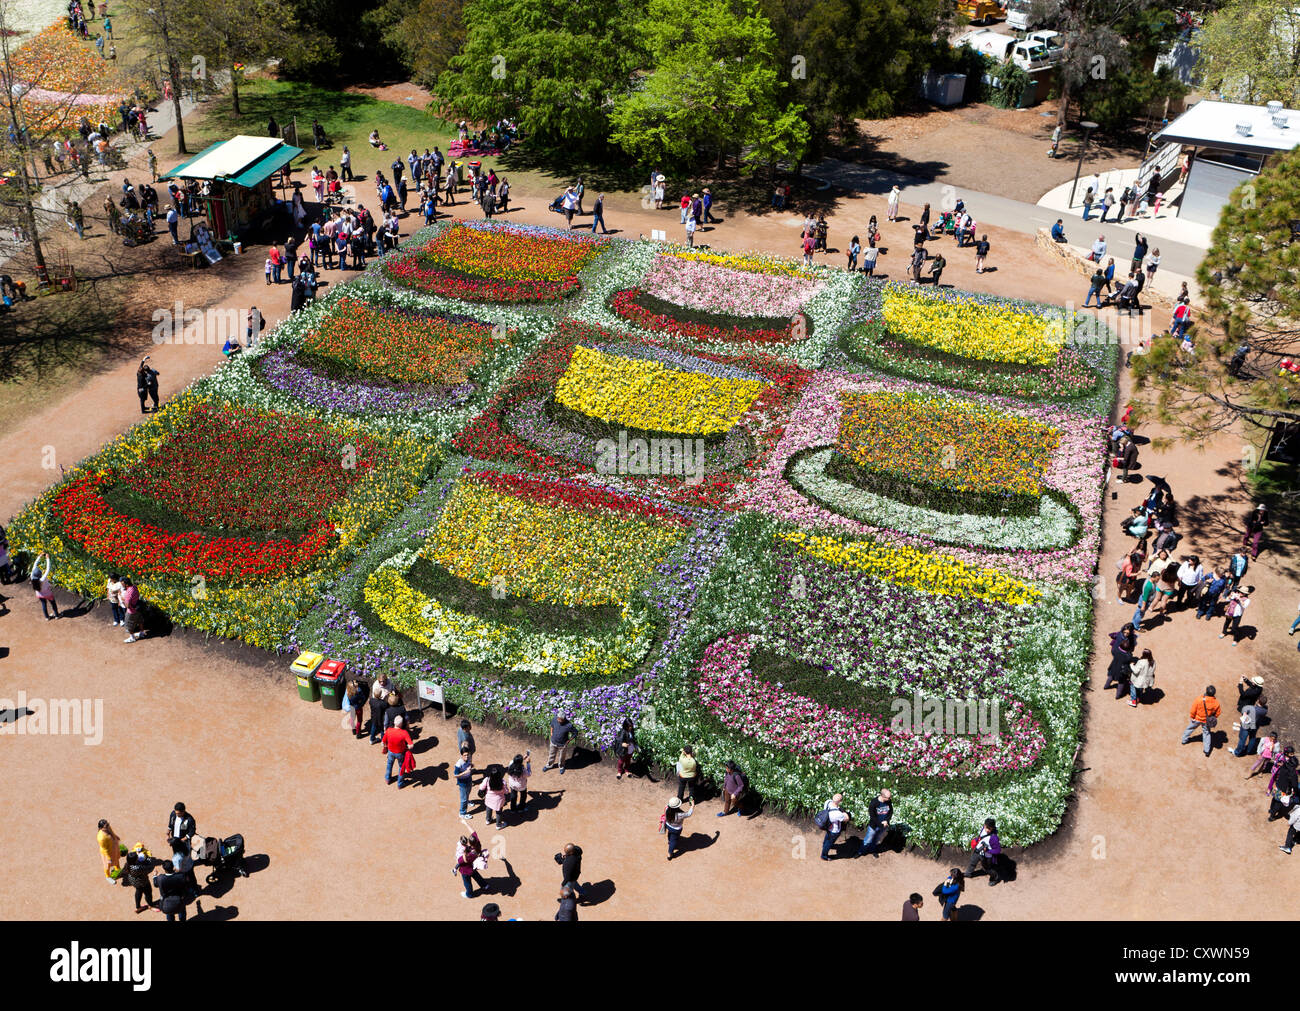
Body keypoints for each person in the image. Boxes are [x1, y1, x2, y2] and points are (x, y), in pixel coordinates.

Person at [1180, 686, 1221, 757]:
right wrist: (1212, 718)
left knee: (1190, 729)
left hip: (1197, 719)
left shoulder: (1199, 699)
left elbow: (1193, 709)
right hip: (1206, 721)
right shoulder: (1216, 703)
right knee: (1207, 734)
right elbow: (1218, 713)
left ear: (1206, 691)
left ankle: (1184, 740)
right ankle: (1207, 750)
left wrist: (1192, 717)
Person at [454, 824, 488, 898]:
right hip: (473, 867)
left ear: (469, 843)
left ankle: (469, 894)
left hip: (466, 870)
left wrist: (463, 852)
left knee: (467, 882)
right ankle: (485, 885)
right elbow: (473, 832)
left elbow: (460, 861)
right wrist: (465, 823)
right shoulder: (478, 844)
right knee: (477, 876)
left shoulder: (468, 854)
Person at [858, 788, 893, 857]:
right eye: (888, 797)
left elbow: (890, 812)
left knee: (876, 839)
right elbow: (872, 817)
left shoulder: (888, 801)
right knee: (868, 840)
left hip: (884, 825)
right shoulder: (874, 803)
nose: (890, 799)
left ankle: (873, 850)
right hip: (874, 826)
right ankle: (861, 852)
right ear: (882, 796)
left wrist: (887, 821)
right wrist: (880, 824)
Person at [966, 818, 1002, 884]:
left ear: (993, 828)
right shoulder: (983, 829)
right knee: (972, 862)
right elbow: (981, 836)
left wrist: (988, 850)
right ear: (984, 825)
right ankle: (968, 873)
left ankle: (995, 878)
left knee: (987, 869)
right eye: (987, 827)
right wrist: (977, 840)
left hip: (987, 856)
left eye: (990, 829)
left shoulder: (994, 838)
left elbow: (998, 850)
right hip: (978, 850)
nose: (987, 830)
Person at [382, 715, 413, 788]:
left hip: (390, 752)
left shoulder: (389, 730)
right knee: (401, 767)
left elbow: (383, 741)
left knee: (389, 765)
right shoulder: (404, 732)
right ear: (401, 724)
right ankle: (400, 783)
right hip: (400, 753)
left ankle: (387, 779)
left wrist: (385, 747)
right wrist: (408, 747)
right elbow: (411, 745)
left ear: (394, 723)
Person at [124, 843, 155, 913]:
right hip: (142, 881)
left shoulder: (128, 863)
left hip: (133, 880)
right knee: (148, 893)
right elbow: (149, 868)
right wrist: (149, 857)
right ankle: (150, 905)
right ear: (135, 860)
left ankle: (138, 906)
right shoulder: (137, 867)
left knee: (139, 891)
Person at [818, 794, 850, 860]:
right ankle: (824, 856)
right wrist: (844, 812)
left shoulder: (827, 802)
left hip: (828, 826)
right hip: (834, 830)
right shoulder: (837, 813)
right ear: (840, 802)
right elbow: (846, 818)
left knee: (827, 837)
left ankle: (824, 845)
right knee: (829, 842)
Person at [30, 552, 57, 620]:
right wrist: (47, 558)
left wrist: (39, 556)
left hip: (39, 594)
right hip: (48, 594)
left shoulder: (32, 577)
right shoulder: (42, 579)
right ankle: (57, 615)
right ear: (40, 574)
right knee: (53, 603)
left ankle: (47, 617)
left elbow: (34, 565)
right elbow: (48, 569)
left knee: (44, 604)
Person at [453, 747, 474, 818]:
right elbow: (455, 775)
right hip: (462, 783)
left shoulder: (469, 759)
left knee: (468, 792)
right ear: (461, 755)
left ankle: (467, 802)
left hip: (469, 779)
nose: (467, 756)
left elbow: (469, 765)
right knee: (463, 799)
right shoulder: (458, 764)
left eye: (468, 755)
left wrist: (471, 766)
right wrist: (465, 772)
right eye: (465, 755)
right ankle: (462, 813)